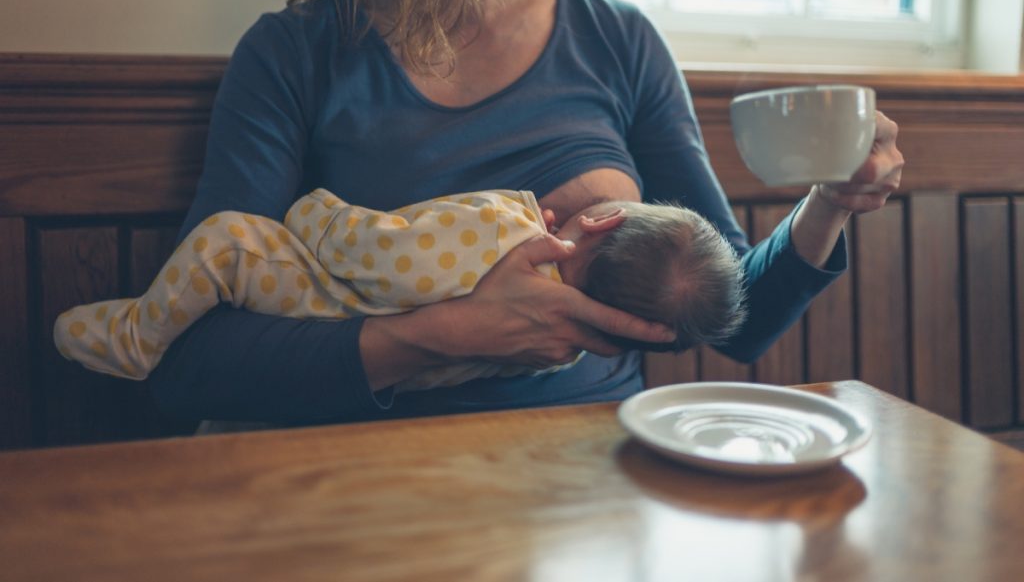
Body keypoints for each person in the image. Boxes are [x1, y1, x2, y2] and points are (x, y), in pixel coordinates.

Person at [145, 0, 903, 425]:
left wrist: (830, 201)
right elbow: (193, 363)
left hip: (588, 461)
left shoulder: (619, 41)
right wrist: (447, 333)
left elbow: (736, 318)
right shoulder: (295, 54)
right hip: (363, 465)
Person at [55, 188, 747, 391]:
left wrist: (315, 212)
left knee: (227, 239)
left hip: (313, 289)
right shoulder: (562, 347)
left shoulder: (496, 232)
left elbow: (379, 251)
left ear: (602, 219)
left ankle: (136, 339)